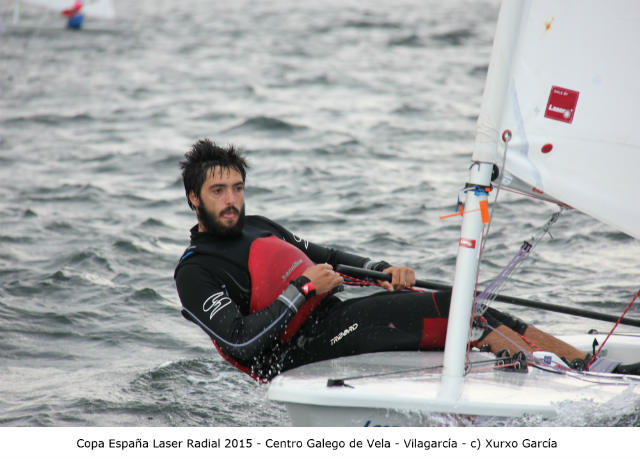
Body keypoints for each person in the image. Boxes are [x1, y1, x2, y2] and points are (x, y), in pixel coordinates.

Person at [174, 139, 639, 381]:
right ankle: (588, 373)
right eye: (218, 191)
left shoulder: (259, 224)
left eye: (237, 187)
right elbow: (240, 342)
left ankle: (577, 367)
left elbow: (328, 256)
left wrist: (380, 272)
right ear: (194, 198)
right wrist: (305, 290)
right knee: (463, 314)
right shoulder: (196, 270)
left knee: (466, 304)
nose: (232, 199)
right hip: (300, 350)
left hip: (335, 316)